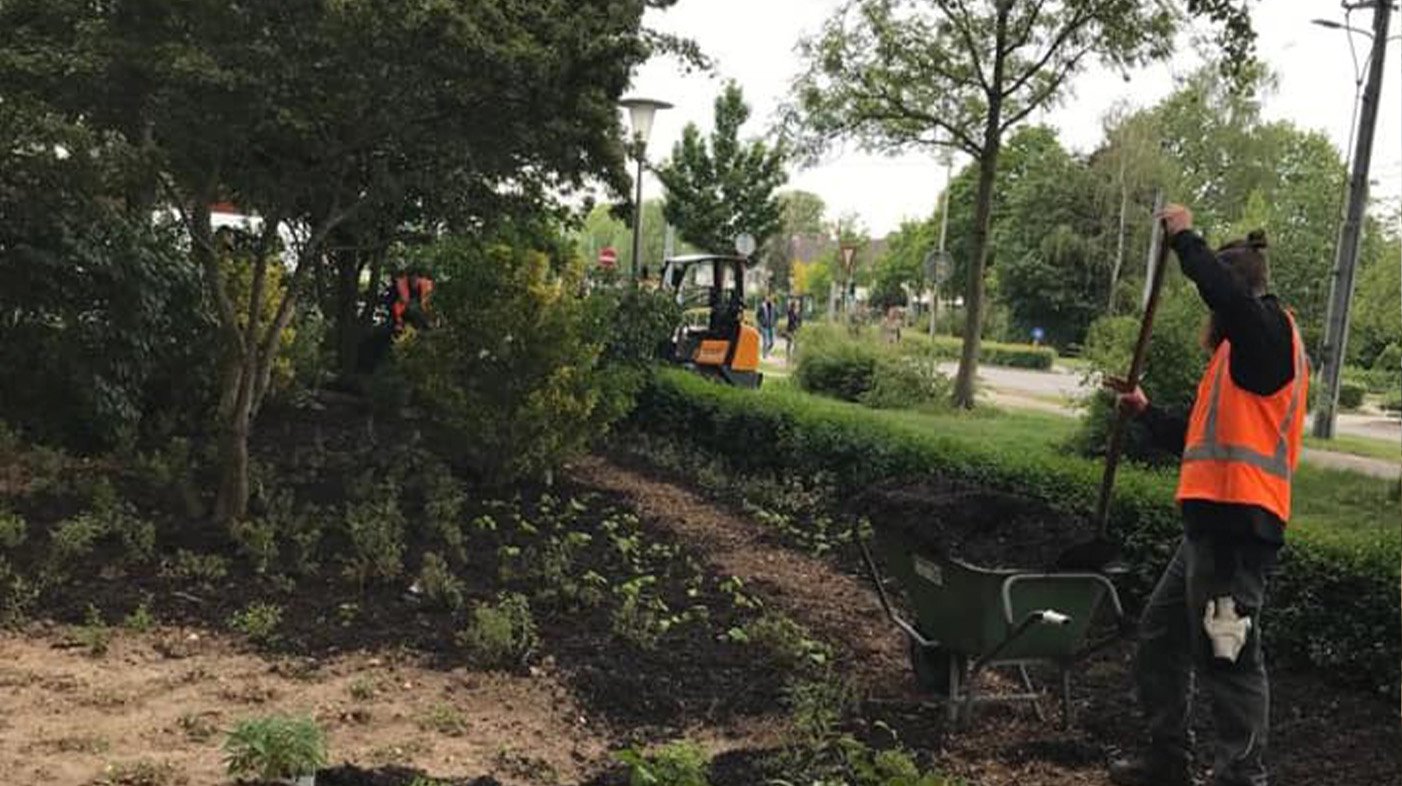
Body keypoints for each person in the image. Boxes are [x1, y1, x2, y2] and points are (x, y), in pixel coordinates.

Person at [1107, 205, 1307, 786]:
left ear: (1234, 289)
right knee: (1161, 638)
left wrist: (1184, 238)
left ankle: (1242, 778)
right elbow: (1197, 438)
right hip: (1208, 530)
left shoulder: (1268, 333)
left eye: (1221, 291)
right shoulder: (1236, 357)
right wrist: (1146, 414)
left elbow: (1225, 297)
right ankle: (1166, 759)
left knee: (1228, 655)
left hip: (1237, 534)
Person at [756, 294, 777, 358]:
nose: (768, 299)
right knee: (765, 341)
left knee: (772, 342)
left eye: (769, 298)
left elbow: (777, 315)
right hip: (764, 326)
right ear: (765, 299)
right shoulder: (762, 306)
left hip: (771, 326)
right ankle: (765, 355)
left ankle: (766, 350)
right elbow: (757, 316)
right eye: (767, 298)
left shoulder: (773, 306)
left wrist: (774, 322)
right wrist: (761, 323)